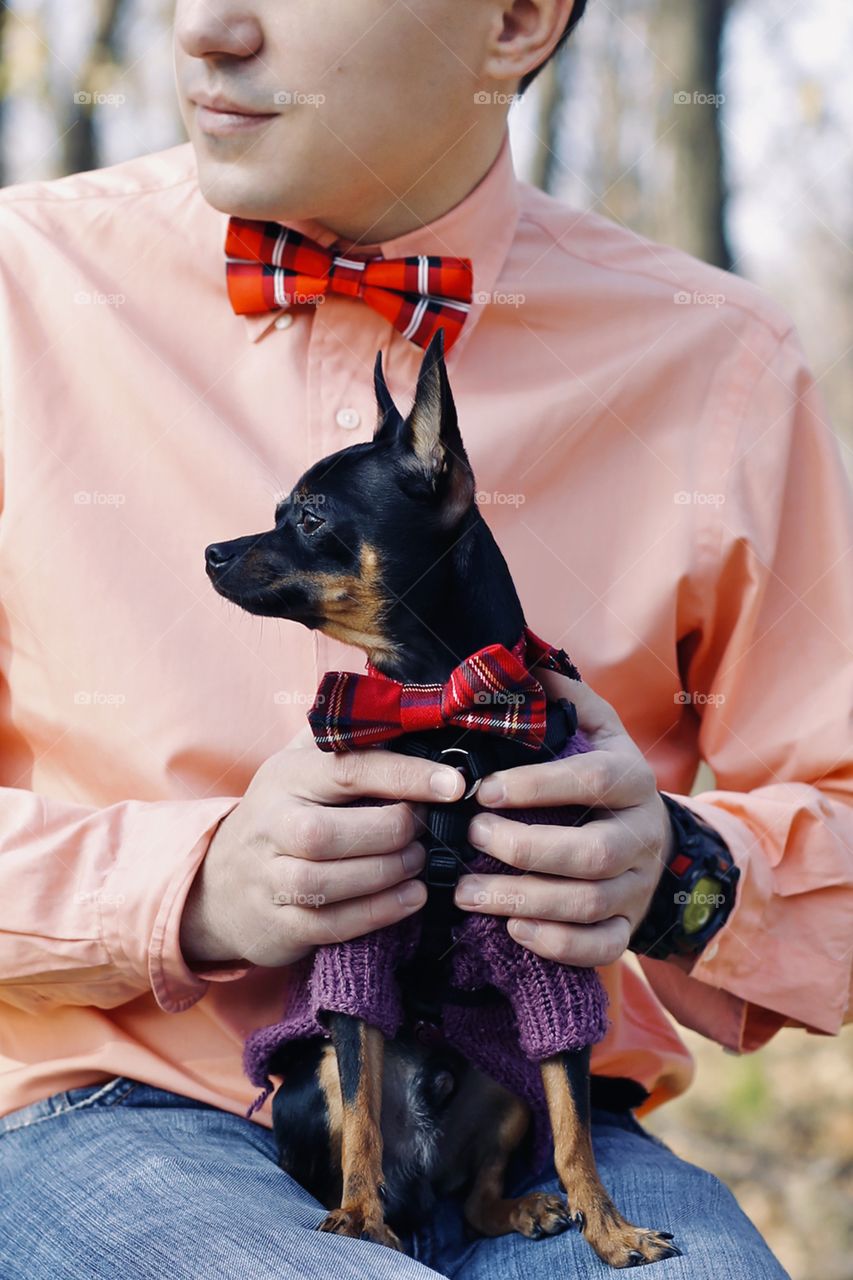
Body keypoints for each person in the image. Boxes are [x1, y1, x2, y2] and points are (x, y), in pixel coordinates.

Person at [0, 1, 849, 1276]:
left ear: (513, 18)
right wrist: (189, 888)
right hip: (100, 1104)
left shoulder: (717, 360)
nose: (205, 29)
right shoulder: (20, 296)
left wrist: (677, 868)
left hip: (526, 1104)